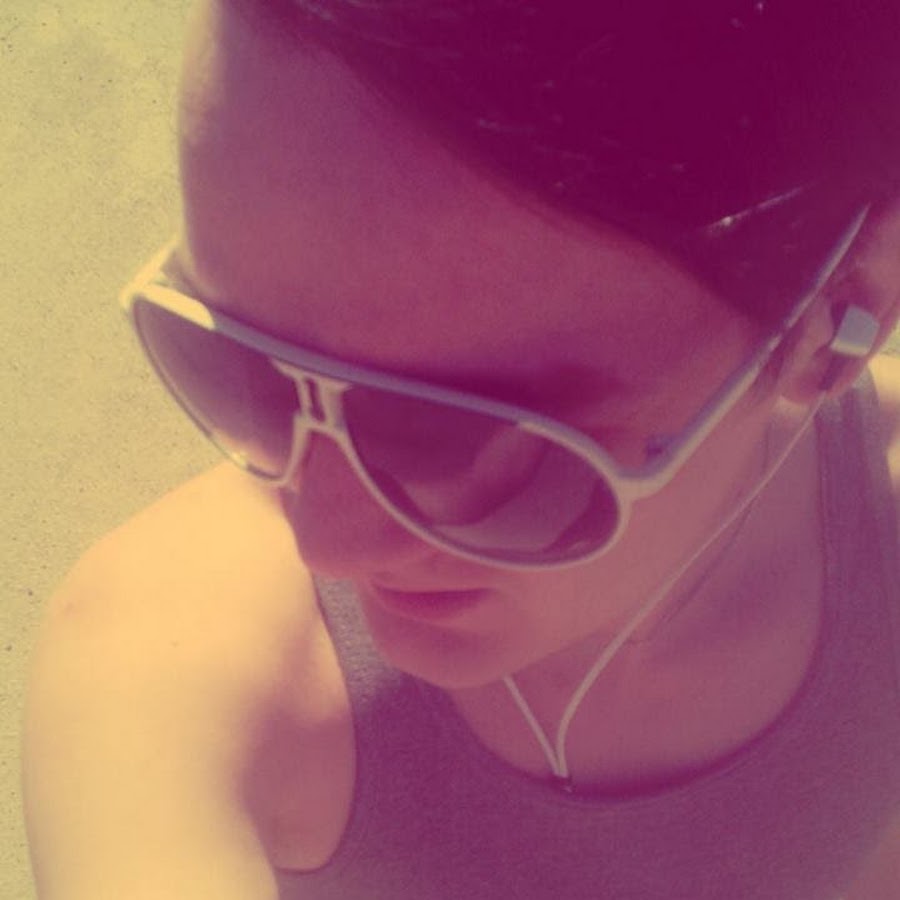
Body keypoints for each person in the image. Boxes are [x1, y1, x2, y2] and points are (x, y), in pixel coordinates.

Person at [22, 0, 900, 897]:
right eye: (236, 361)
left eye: (458, 435)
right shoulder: (166, 665)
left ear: (841, 315)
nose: (325, 541)